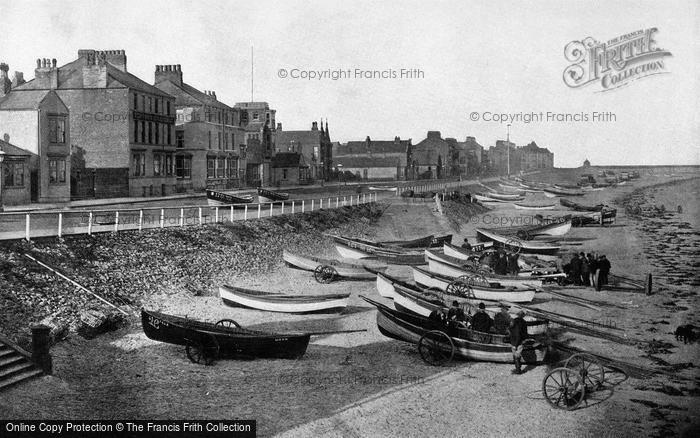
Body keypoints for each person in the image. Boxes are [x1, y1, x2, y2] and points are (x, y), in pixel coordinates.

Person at [509, 310, 529, 375]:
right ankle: (518, 369)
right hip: (521, 341)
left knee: (516, 355)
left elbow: (514, 332)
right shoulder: (524, 322)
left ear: (518, 315)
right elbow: (525, 333)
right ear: (523, 316)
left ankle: (518, 370)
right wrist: (525, 340)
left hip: (515, 341)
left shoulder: (514, 321)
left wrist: (514, 344)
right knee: (518, 355)